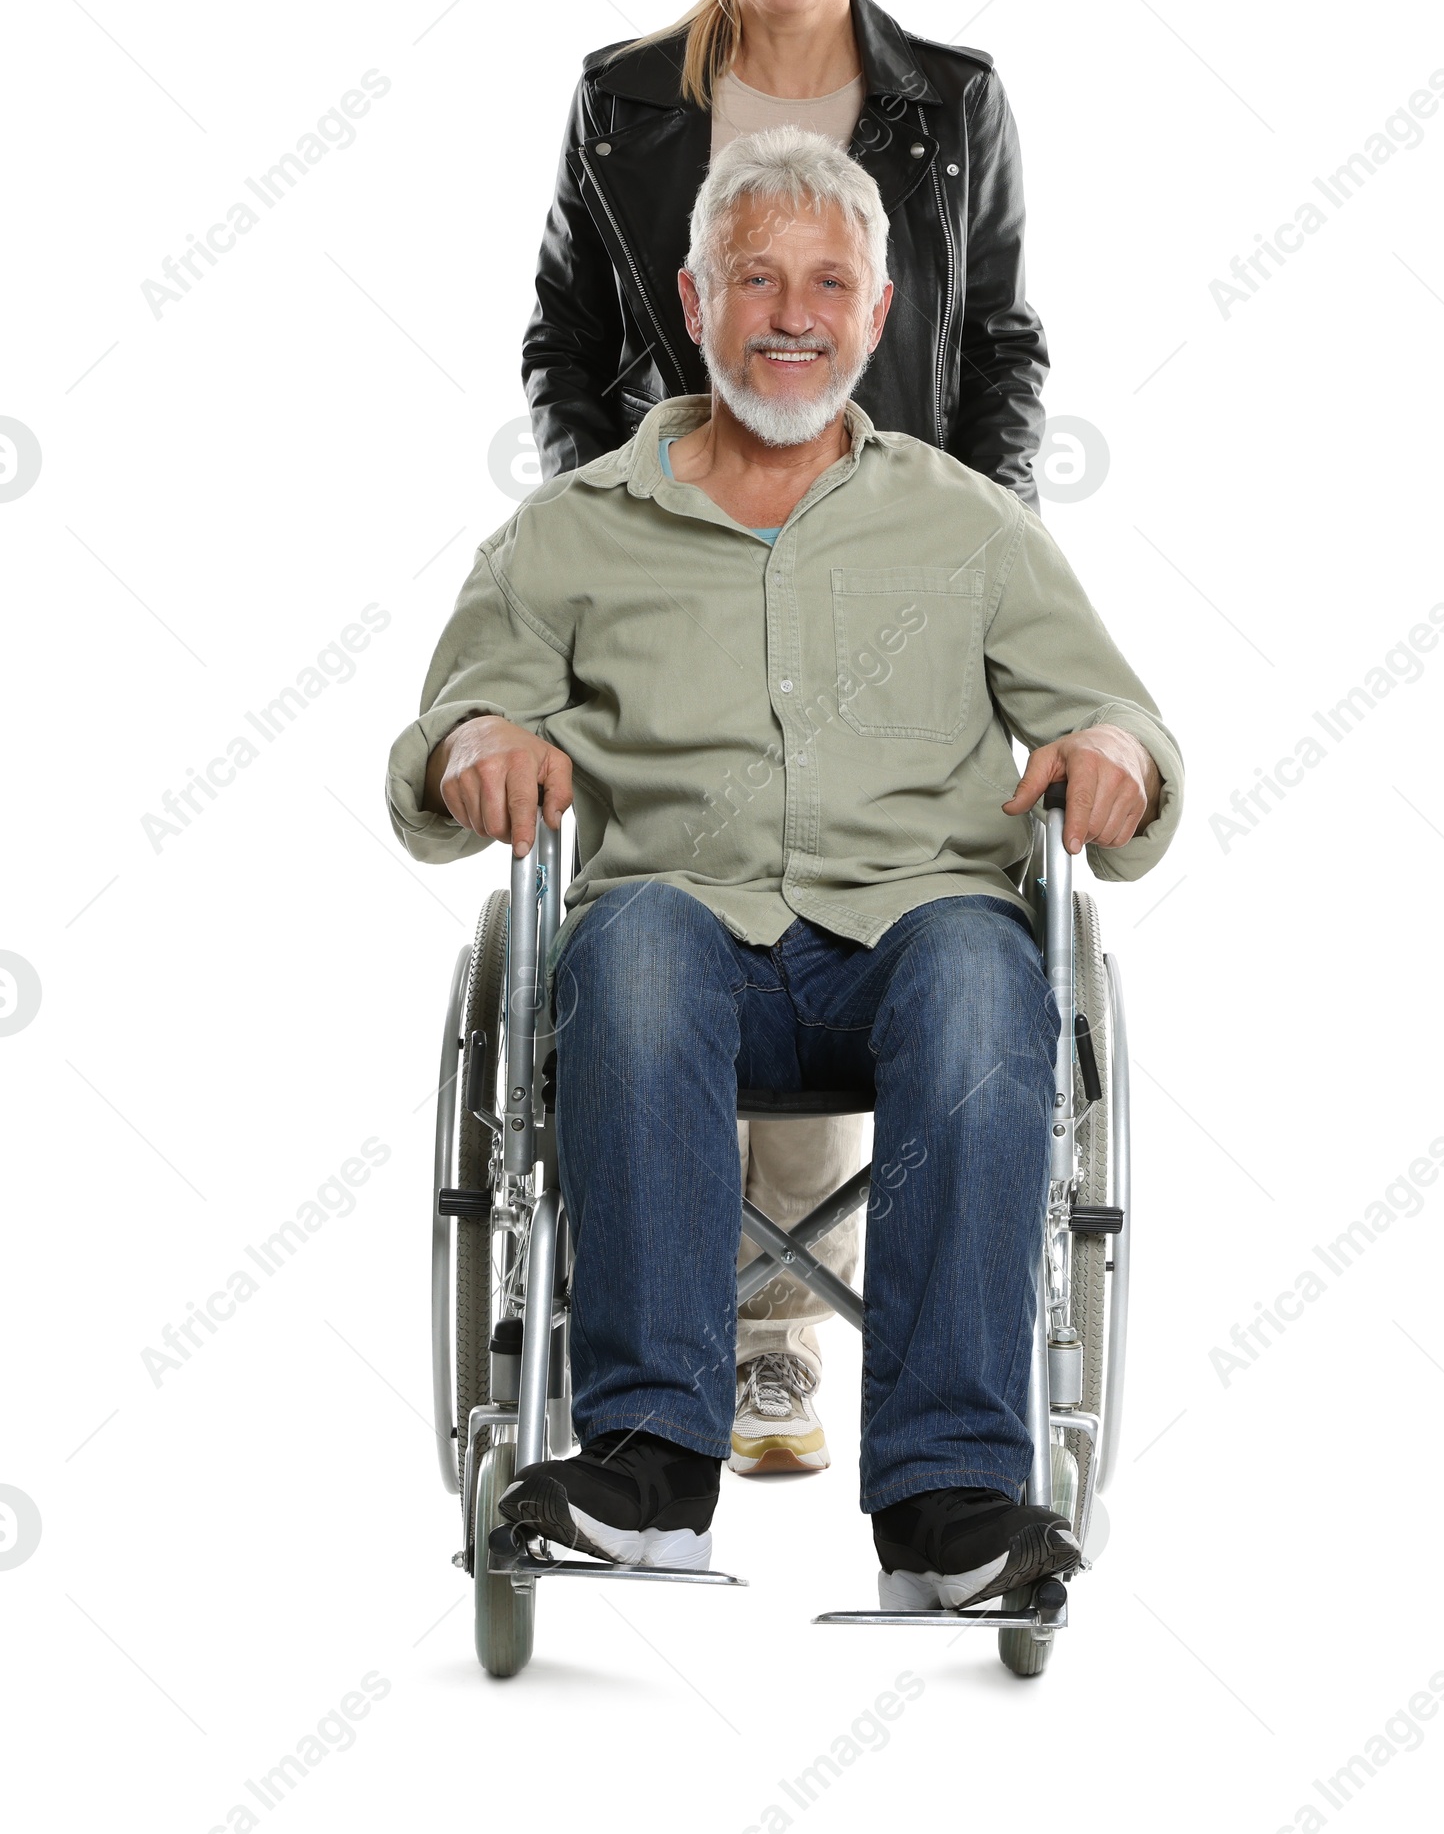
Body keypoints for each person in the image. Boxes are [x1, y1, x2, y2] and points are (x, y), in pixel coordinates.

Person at [388, 130, 1182, 1610]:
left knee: (974, 963)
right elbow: (450, 729)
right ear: (696, 300)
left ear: (879, 316)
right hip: (678, 947)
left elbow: (1117, 718)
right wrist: (479, 739)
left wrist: (1116, 756)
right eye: (758, 276)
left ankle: (950, 1498)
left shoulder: (971, 525)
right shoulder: (572, 532)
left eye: (830, 281)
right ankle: (644, 1464)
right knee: (623, 951)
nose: (794, 311)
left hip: (909, 938)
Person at [519, 0, 1052, 1476]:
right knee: (700, 868)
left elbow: (1002, 351)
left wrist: (979, 548)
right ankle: (708, 1376)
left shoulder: (951, 103)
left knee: (884, 870)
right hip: (685, 551)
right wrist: (628, 521)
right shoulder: (620, 103)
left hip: (900, 557)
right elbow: (566, 335)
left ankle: (891, 1426)